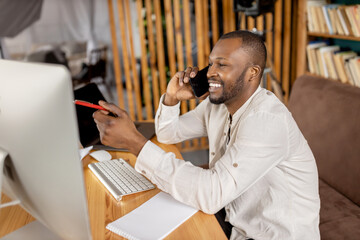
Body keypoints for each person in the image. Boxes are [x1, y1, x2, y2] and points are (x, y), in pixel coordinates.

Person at [93, 30, 320, 240]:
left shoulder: (267, 121)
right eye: (211, 63)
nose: (210, 72)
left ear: (253, 73)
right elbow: (167, 134)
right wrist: (172, 98)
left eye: (222, 64)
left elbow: (212, 195)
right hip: (235, 218)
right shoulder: (219, 105)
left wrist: (134, 142)